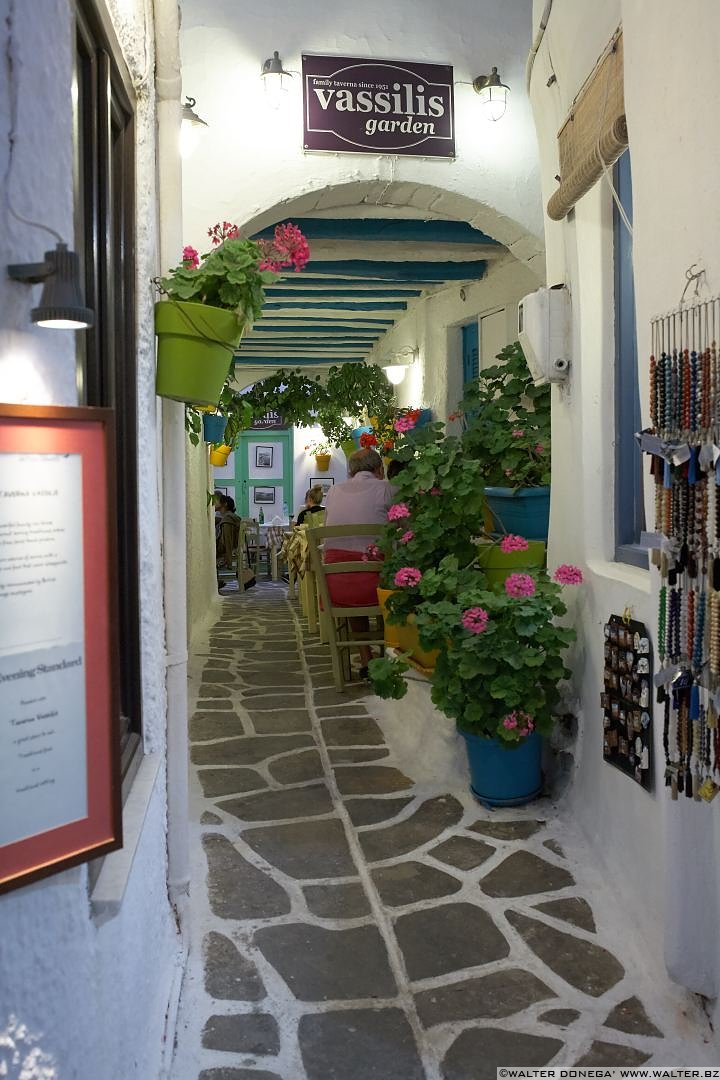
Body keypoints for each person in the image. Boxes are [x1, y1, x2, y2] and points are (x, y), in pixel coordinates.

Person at [323, 448, 394, 675]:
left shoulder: (333, 492)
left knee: (351, 579)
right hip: (377, 588)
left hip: (337, 589)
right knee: (393, 576)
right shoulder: (387, 489)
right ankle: (392, 656)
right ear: (379, 470)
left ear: (350, 472)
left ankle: (366, 658)